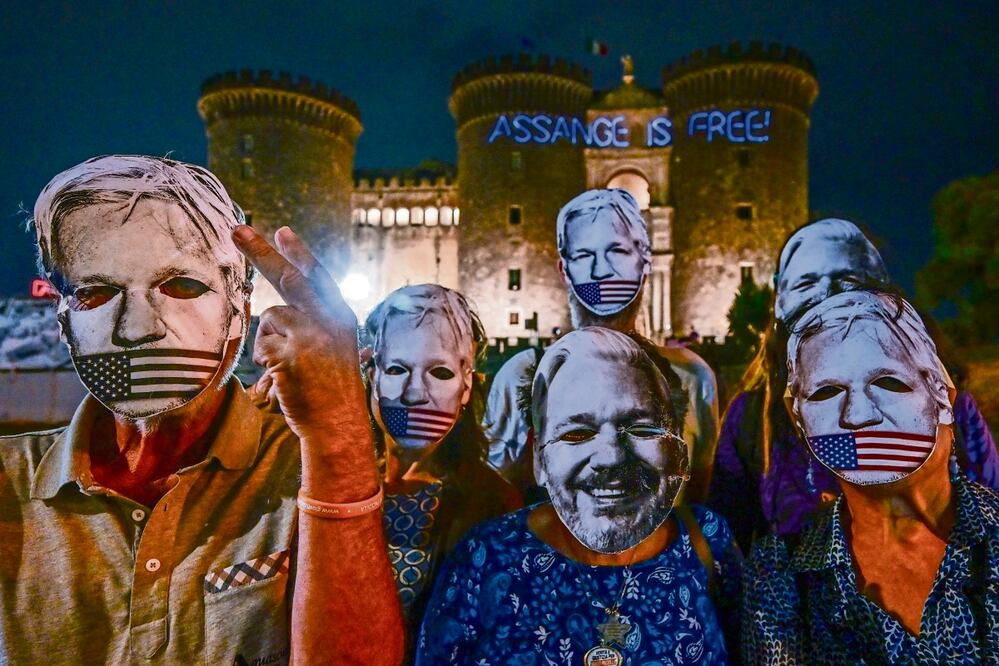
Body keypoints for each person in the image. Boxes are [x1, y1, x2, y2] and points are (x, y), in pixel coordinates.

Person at [0, 155, 403, 664]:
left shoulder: (308, 471)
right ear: (64, 324)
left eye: (181, 286)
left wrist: (338, 436)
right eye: (96, 293)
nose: (136, 327)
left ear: (241, 306)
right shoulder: (7, 483)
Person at [417, 328, 741, 665]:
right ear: (539, 455)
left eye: (642, 429)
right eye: (577, 433)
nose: (611, 457)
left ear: (676, 449)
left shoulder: (709, 541)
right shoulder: (486, 558)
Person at [708, 218, 998, 551]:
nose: (827, 295)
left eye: (847, 279)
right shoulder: (751, 419)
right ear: (781, 300)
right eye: (806, 283)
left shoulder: (946, 404)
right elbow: (728, 542)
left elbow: (990, 519)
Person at [742, 290, 999, 664]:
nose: (858, 415)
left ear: (942, 395)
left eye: (890, 383)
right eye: (827, 392)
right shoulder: (779, 572)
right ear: (798, 417)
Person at [484, 188, 719, 503]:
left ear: (646, 264)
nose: (601, 271)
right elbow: (496, 503)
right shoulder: (520, 377)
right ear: (564, 270)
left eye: (619, 252)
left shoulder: (692, 378)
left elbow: (699, 507)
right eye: (583, 255)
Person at [362, 285, 521, 645]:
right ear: (372, 373)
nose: (415, 393)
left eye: (440, 373)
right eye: (398, 369)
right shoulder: (329, 477)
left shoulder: (494, 505)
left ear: (466, 386)